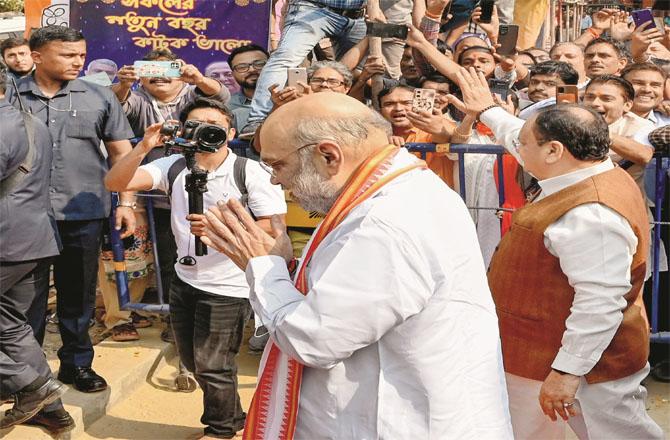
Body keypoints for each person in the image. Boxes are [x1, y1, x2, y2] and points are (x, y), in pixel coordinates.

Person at [195, 92, 513, 439]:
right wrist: (286, 267)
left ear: (328, 156)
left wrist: (263, 268)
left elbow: (313, 339)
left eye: (277, 166)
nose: (274, 181)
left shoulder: (383, 221)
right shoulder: (401, 190)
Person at [457, 69, 663, 439]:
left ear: (554, 151)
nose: (518, 150)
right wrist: (488, 108)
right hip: (546, 357)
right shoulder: (584, 170)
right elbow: (517, 137)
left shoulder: (591, 213)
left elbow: (599, 302)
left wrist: (567, 372)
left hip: (581, 366)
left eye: (525, 144)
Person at [104, 97, 287, 440]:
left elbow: (274, 230)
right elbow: (115, 183)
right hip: (185, 278)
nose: (203, 132)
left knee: (213, 364)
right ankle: (233, 418)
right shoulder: (173, 165)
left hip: (229, 286)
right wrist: (144, 146)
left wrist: (221, 231)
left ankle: (219, 431)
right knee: (193, 359)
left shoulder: (248, 172)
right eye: (195, 125)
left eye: (212, 126)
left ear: (230, 132)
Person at [5, 26, 136, 393]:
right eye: (67, 55)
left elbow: (120, 154)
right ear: (37, 55)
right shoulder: (9, 98)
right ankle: (25, 378)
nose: (77, 61)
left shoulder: (99, 97)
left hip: (83, 212)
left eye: (80, 54)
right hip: (21, 218)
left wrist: (126, 202)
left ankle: (76, 365)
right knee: (23, 301)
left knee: (76, 296)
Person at [0, 66, 74, 434]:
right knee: (11, 326)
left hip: (5, 242)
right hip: (33, 239)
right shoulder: (29, 122)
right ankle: (51, 410)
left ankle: (30, 385)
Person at [239, 0, 382, 138]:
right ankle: (258, 119)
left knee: (362, 70)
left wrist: (376, 13)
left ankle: (372, 122)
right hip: (313, 8)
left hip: (359, 15)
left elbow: (343, 68)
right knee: (286, 57)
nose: (324, 84)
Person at [226, 44, 269, 134]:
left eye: (259, 64)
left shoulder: (289, 99)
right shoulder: (225, 107)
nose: (252, 70)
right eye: (242, 67)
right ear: (232, 74)